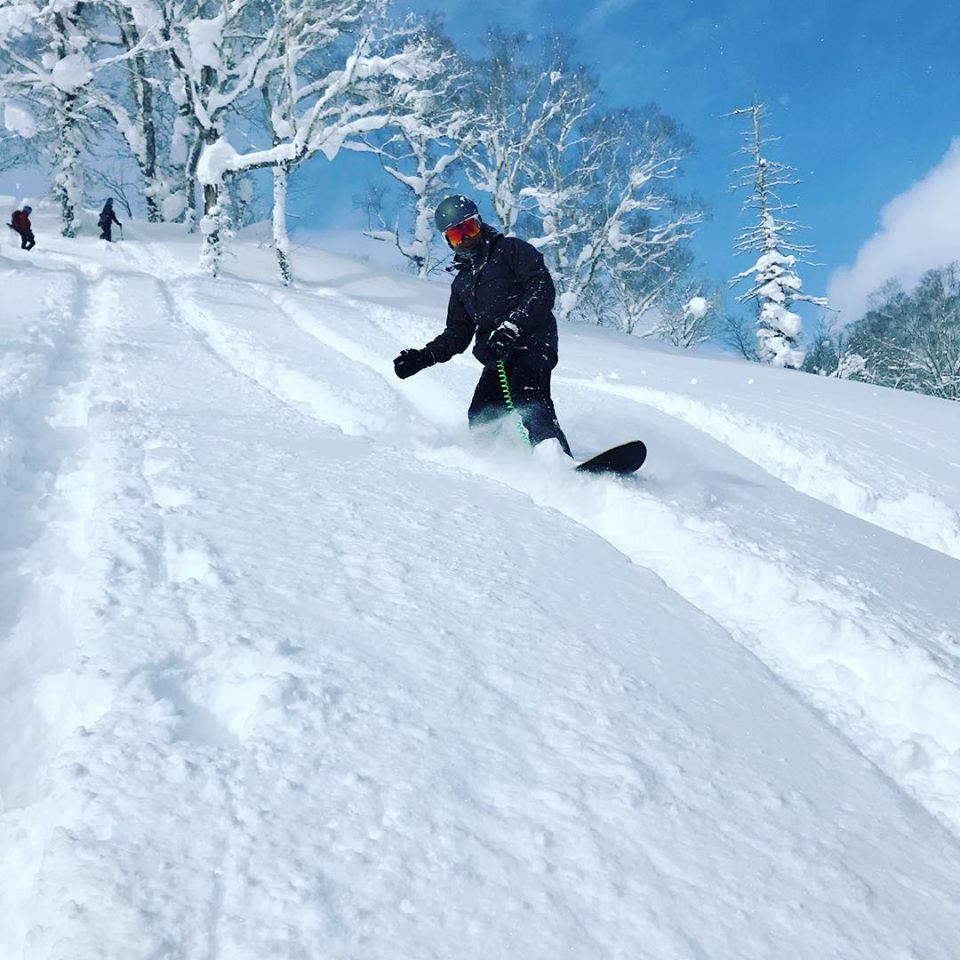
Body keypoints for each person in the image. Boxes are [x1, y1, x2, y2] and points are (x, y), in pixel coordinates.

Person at [393, 195, 571, 456]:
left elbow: (541, 288)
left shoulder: (511, 250)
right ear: (448, 241)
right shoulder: (462, 283)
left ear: (479, 224)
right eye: (457, 235)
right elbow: (457, 332)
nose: (465, 239)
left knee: (528, 397)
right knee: (482, 413)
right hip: (497, 354)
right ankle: (499, 462)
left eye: (469, 228)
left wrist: (513, 326)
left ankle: (556, 460)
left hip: (532, 341)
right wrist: (424, 356)